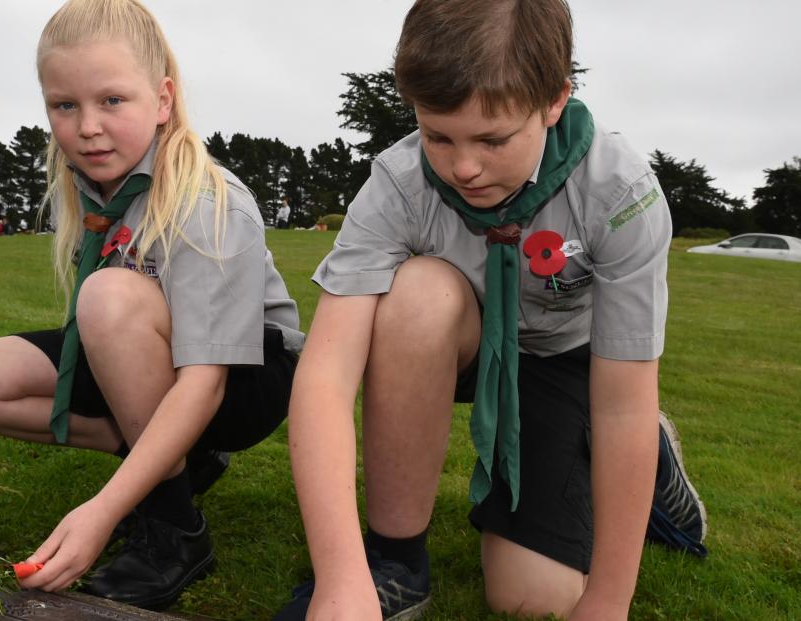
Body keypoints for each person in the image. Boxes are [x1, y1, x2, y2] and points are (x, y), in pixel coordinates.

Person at [274, 1, 707, 619]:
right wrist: (342, 579)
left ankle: (655, 458)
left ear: (555, 101)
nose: (464, 167)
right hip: (465, 343)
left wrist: (609, 599)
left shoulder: (619, 193)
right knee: (419, 294)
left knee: (532, 597)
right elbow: (324, 377)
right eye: (438, 136)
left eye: (493, 139)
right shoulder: (397, 183)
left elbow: (622, 401)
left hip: (566, 363)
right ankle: (394, 561)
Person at [0, 0, 304, 610]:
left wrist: (106, 507)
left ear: (162, 100)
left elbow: (204, 383)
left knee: (104, 297)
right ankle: (175, 459)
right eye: (65, 105)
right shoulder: (83, 186)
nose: (86, 127)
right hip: (141, 351)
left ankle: (175, 530)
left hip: (244, 373)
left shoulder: (209, 200)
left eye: (112, 100)